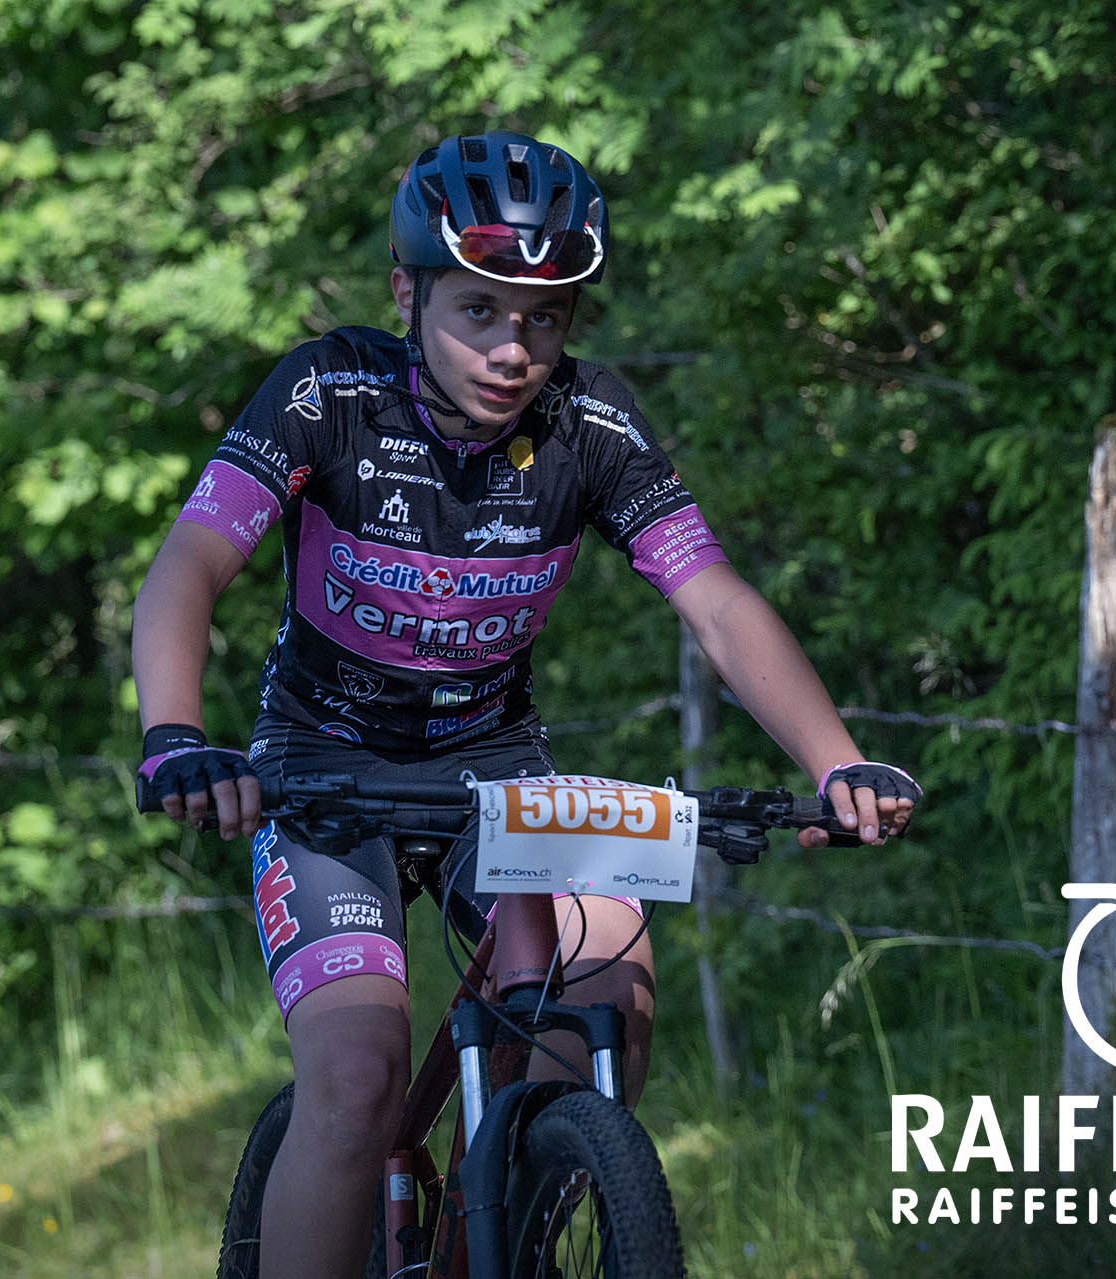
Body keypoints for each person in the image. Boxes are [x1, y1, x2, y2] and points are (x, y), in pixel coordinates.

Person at [131, 130, 920, 1277]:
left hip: (494, 772)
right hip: (321, 773)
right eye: (479, 310)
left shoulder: (589, 424)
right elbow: (191, 563)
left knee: (609, 988)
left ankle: (497, 1227)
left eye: (545, 319)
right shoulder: (327, 392)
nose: (513, 349)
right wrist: (174, 735)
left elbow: (715, 602)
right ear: (406, 293)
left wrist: (835, 760)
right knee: (355, 1079)